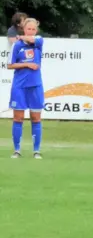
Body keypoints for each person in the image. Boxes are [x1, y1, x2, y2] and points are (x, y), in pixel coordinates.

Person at [8, 18, 44, 159]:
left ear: (36, 31)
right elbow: (10, 65)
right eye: (28, 29)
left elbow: (34, 39)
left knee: (35, 118)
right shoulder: (17, 46)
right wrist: (26, 65)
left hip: (35, 86)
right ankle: (17, 150)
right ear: (24, 29)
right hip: (19, 87)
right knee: (18, 118)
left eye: (33, 29)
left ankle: (36, 151)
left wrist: (23, 37)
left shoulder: (39, 41)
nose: (31, 31)